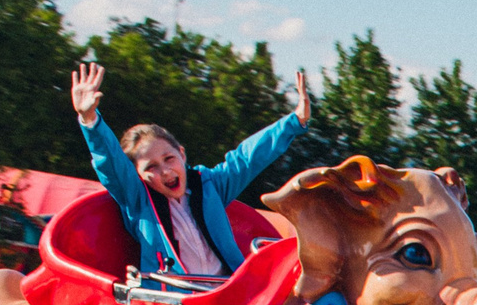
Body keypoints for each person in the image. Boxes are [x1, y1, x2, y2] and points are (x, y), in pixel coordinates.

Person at [69, 59, 309, 281]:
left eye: (169, 159)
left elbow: (247, 157)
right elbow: (111, 163)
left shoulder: (209, 185)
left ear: (182, 154)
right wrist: (89, 119)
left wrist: (294, 121)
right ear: (138, 175)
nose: (165, 171)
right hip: (177, 303)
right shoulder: (139, 200)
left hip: (226, 291)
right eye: (151, 167)